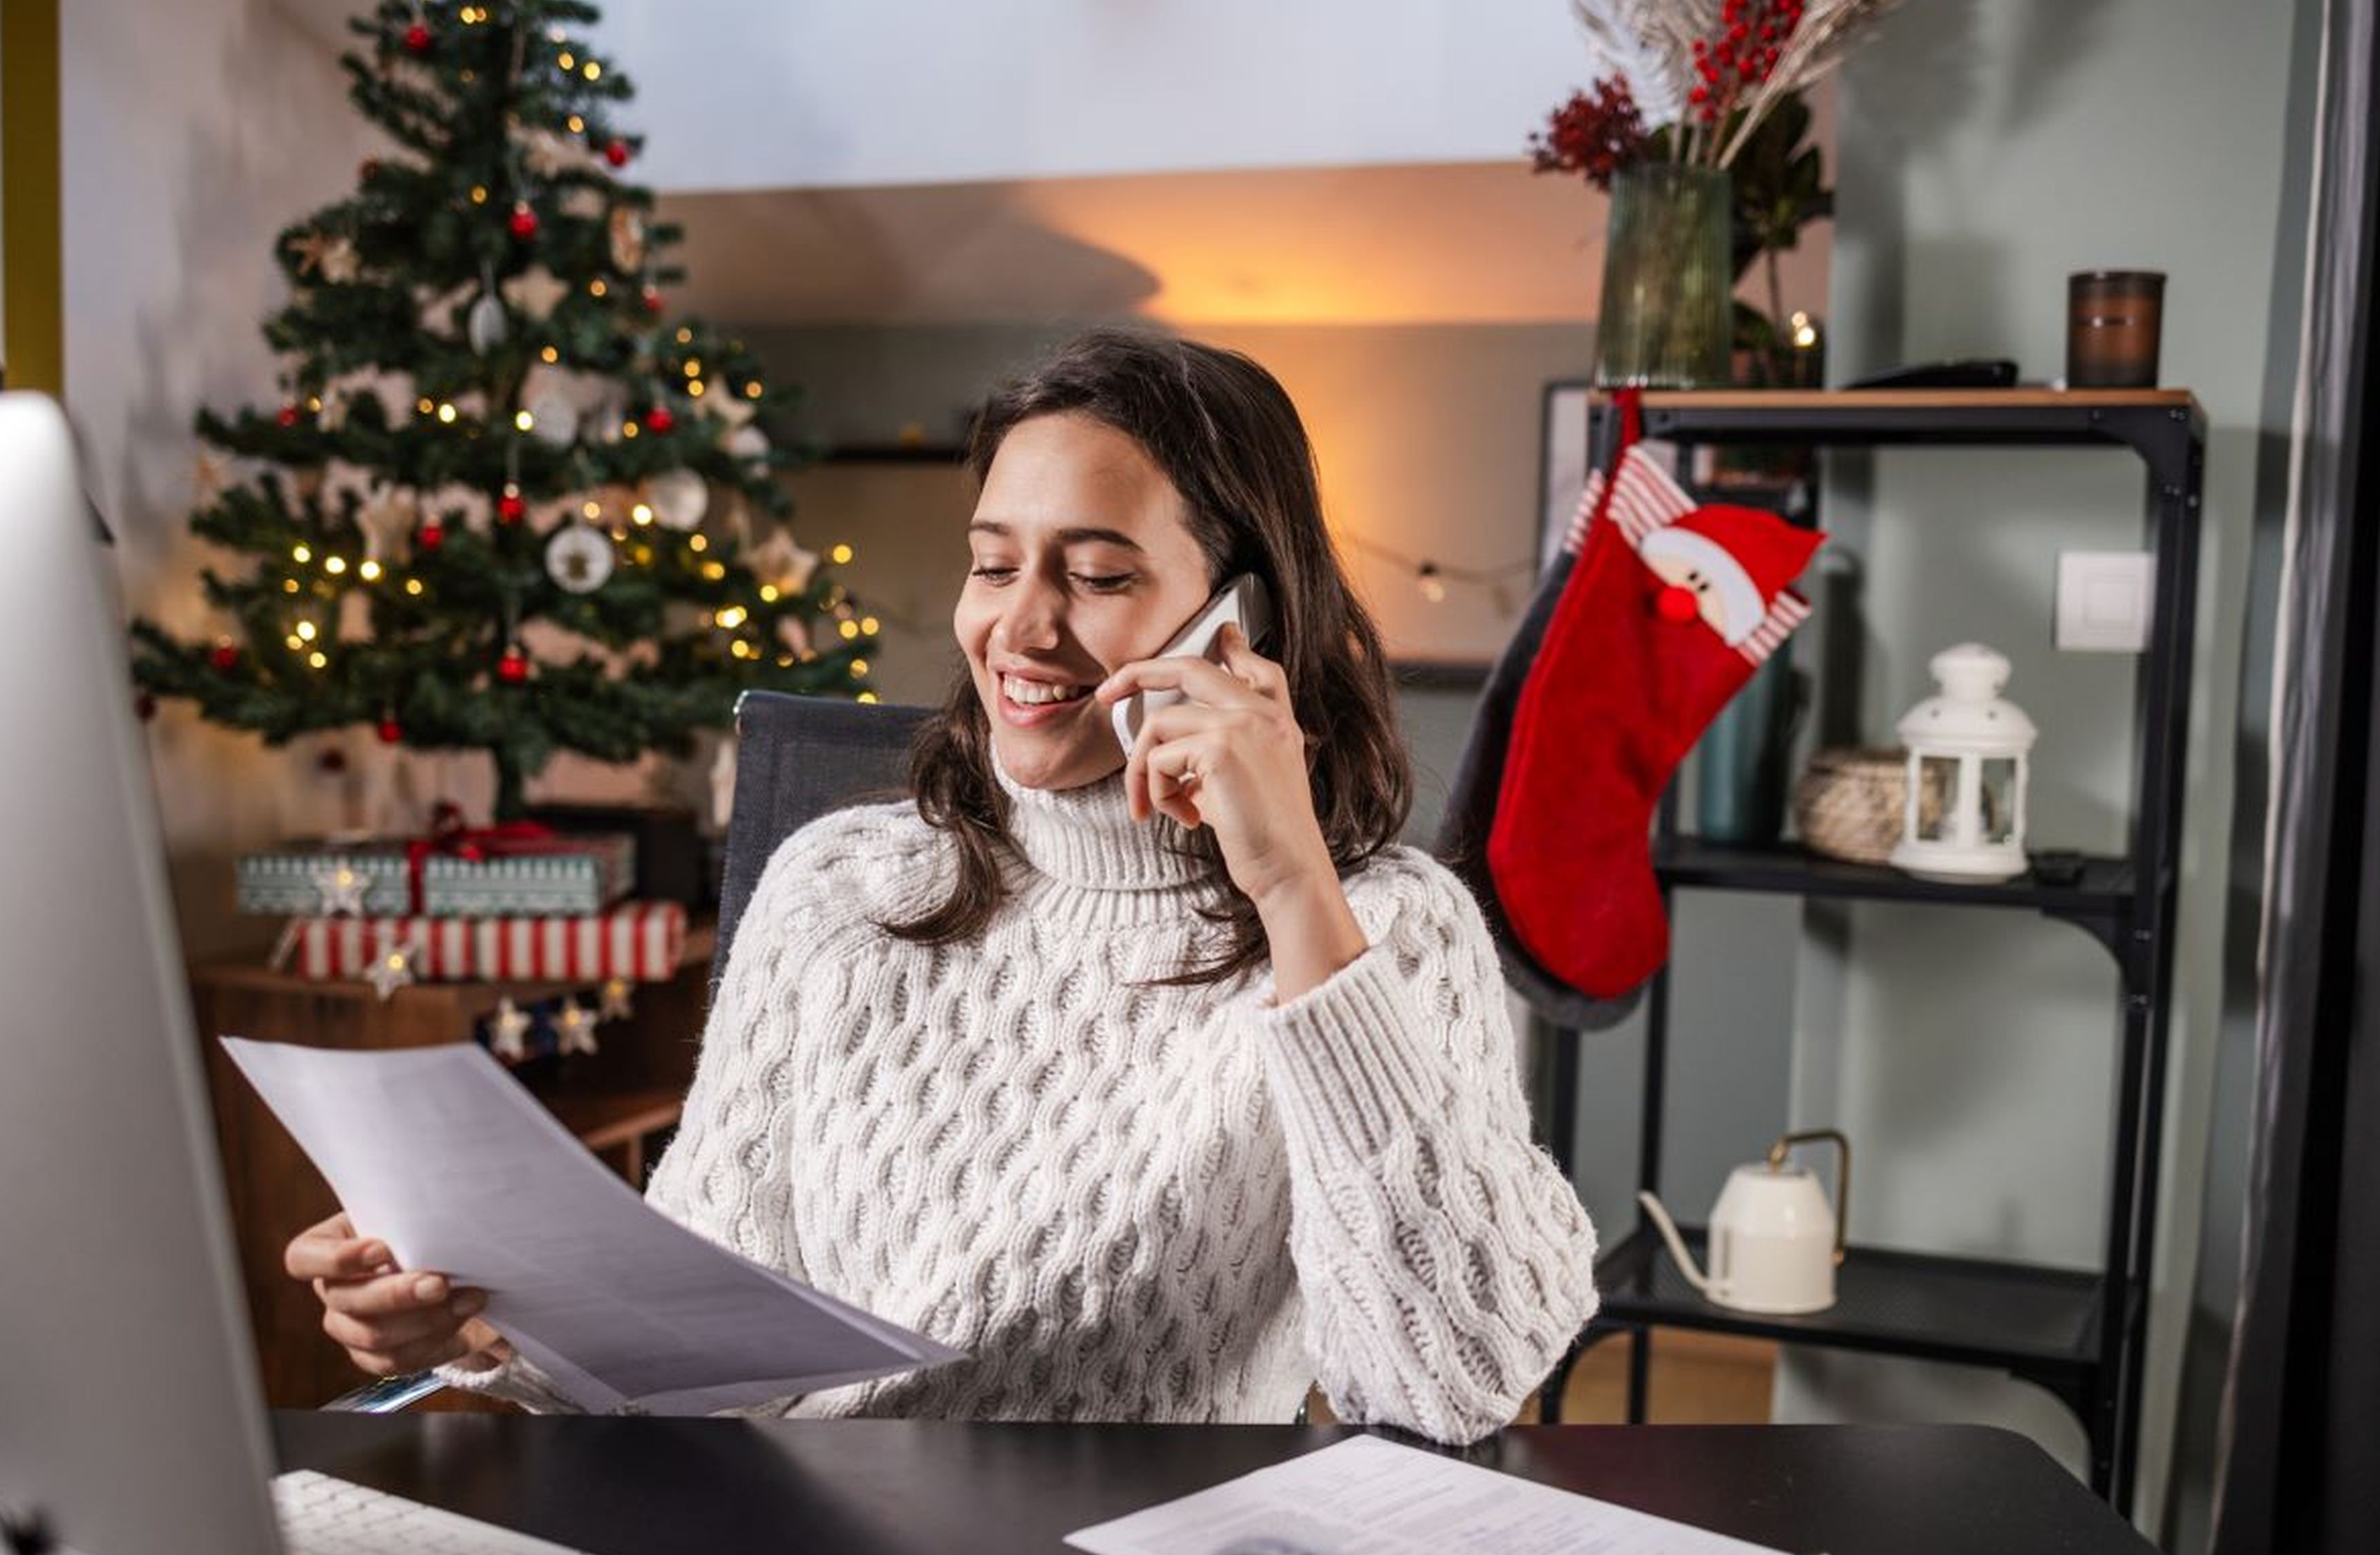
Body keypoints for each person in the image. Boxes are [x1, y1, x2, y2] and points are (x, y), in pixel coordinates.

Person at [285, 328, 1599, 1444]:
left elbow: (1454, 1386)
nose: (1020, 629)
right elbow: (685, 1368)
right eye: (992, 562)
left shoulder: (1388, 931)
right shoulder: (838, 889)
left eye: (1095, 575)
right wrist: (482, 1326)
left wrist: (1289, 880)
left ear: (1240, 620)